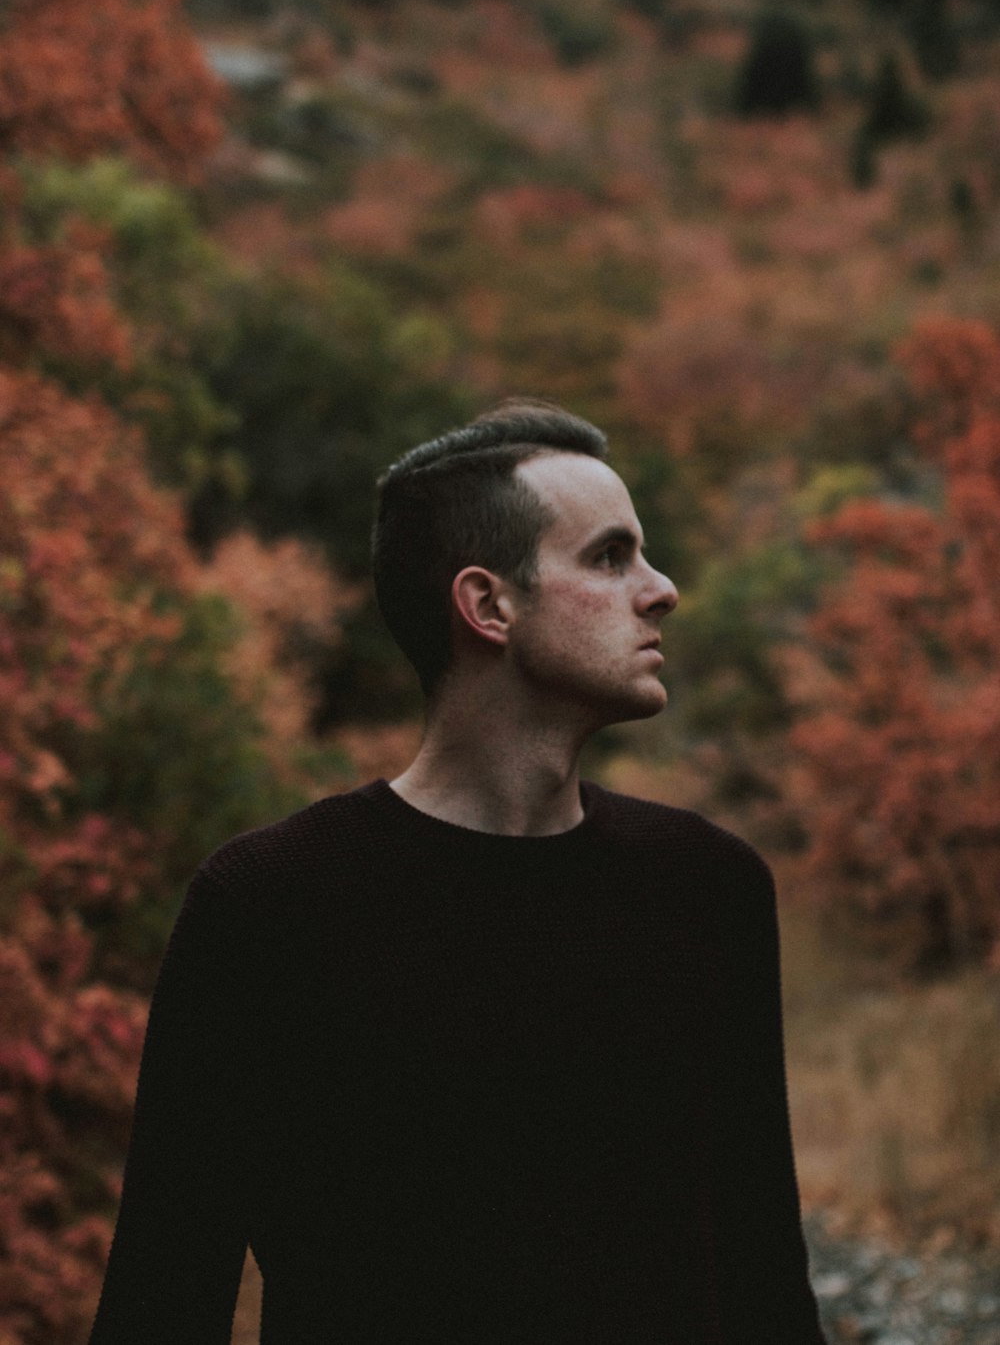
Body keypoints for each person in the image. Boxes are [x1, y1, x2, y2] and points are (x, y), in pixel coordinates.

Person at [89, 401, 827, 1344]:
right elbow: (162, 1300)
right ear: (487, 606)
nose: (663, 589)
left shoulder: (707, 889)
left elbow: (767, 1283)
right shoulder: (269, 905)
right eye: (610, 557)